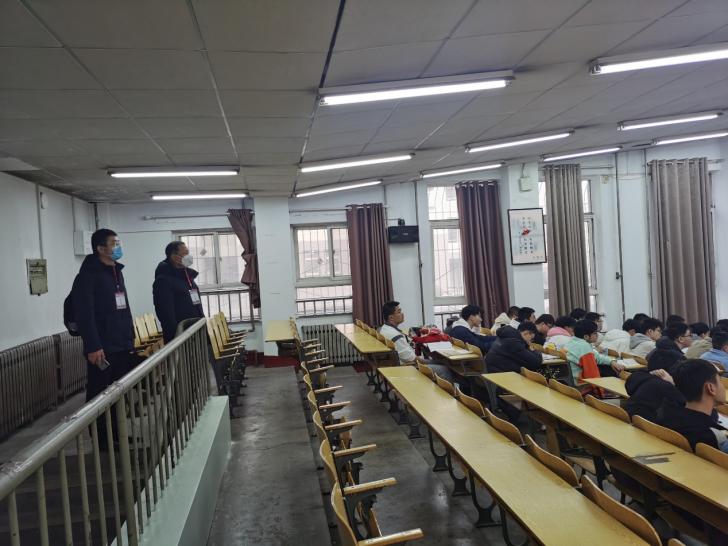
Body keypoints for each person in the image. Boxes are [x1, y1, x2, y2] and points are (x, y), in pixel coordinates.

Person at [72, 228, 134, 446]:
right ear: (100, 248)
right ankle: (101, 439)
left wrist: (130, 337)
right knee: (100, 394)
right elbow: (85, 314)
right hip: (102, 347)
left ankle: (117, 435)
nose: (118, 247)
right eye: (114, 243)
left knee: (118, 393)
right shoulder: (88, 276)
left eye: (118, 242)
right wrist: (93, 345)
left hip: (121, 343)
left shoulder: (116, 272)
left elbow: (123, 308)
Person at [660, 359, 728, 451]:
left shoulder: (668, 417)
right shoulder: (713, 437)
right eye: (720, 381)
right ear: (710, 388)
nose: (723, 387)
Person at [379, 301, 453, 381]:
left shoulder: (384, 328)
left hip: (404, 364)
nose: (402, 314)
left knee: (439, 362)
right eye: (399, 312)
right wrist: (431, 361)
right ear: (391, 318)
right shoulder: (396, 336)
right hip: (409, 368)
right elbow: (413, 360)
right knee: (444, 369)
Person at [485, 322, 542, 422]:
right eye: (531, 338)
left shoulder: (504, 337)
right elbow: (536, 362)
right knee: (543, 376)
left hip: (497, 372)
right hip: (507, 376)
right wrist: (533, 350)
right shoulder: (514, 343)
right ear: (526, 333)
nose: (531, 341)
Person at [153, 241, 205, 343]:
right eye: (185, 254)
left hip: (195, 331)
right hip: (181, 337)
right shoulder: (163, 280)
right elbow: (166, 314)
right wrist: (176, 338)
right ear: (174, 257)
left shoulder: (186, 276)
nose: (189, 257)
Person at [625, 346, 685, 422]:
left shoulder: (638, 375)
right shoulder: (664, 385)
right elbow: (684, 403)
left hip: (632, 418)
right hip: (649, 423)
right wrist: (672, 384)